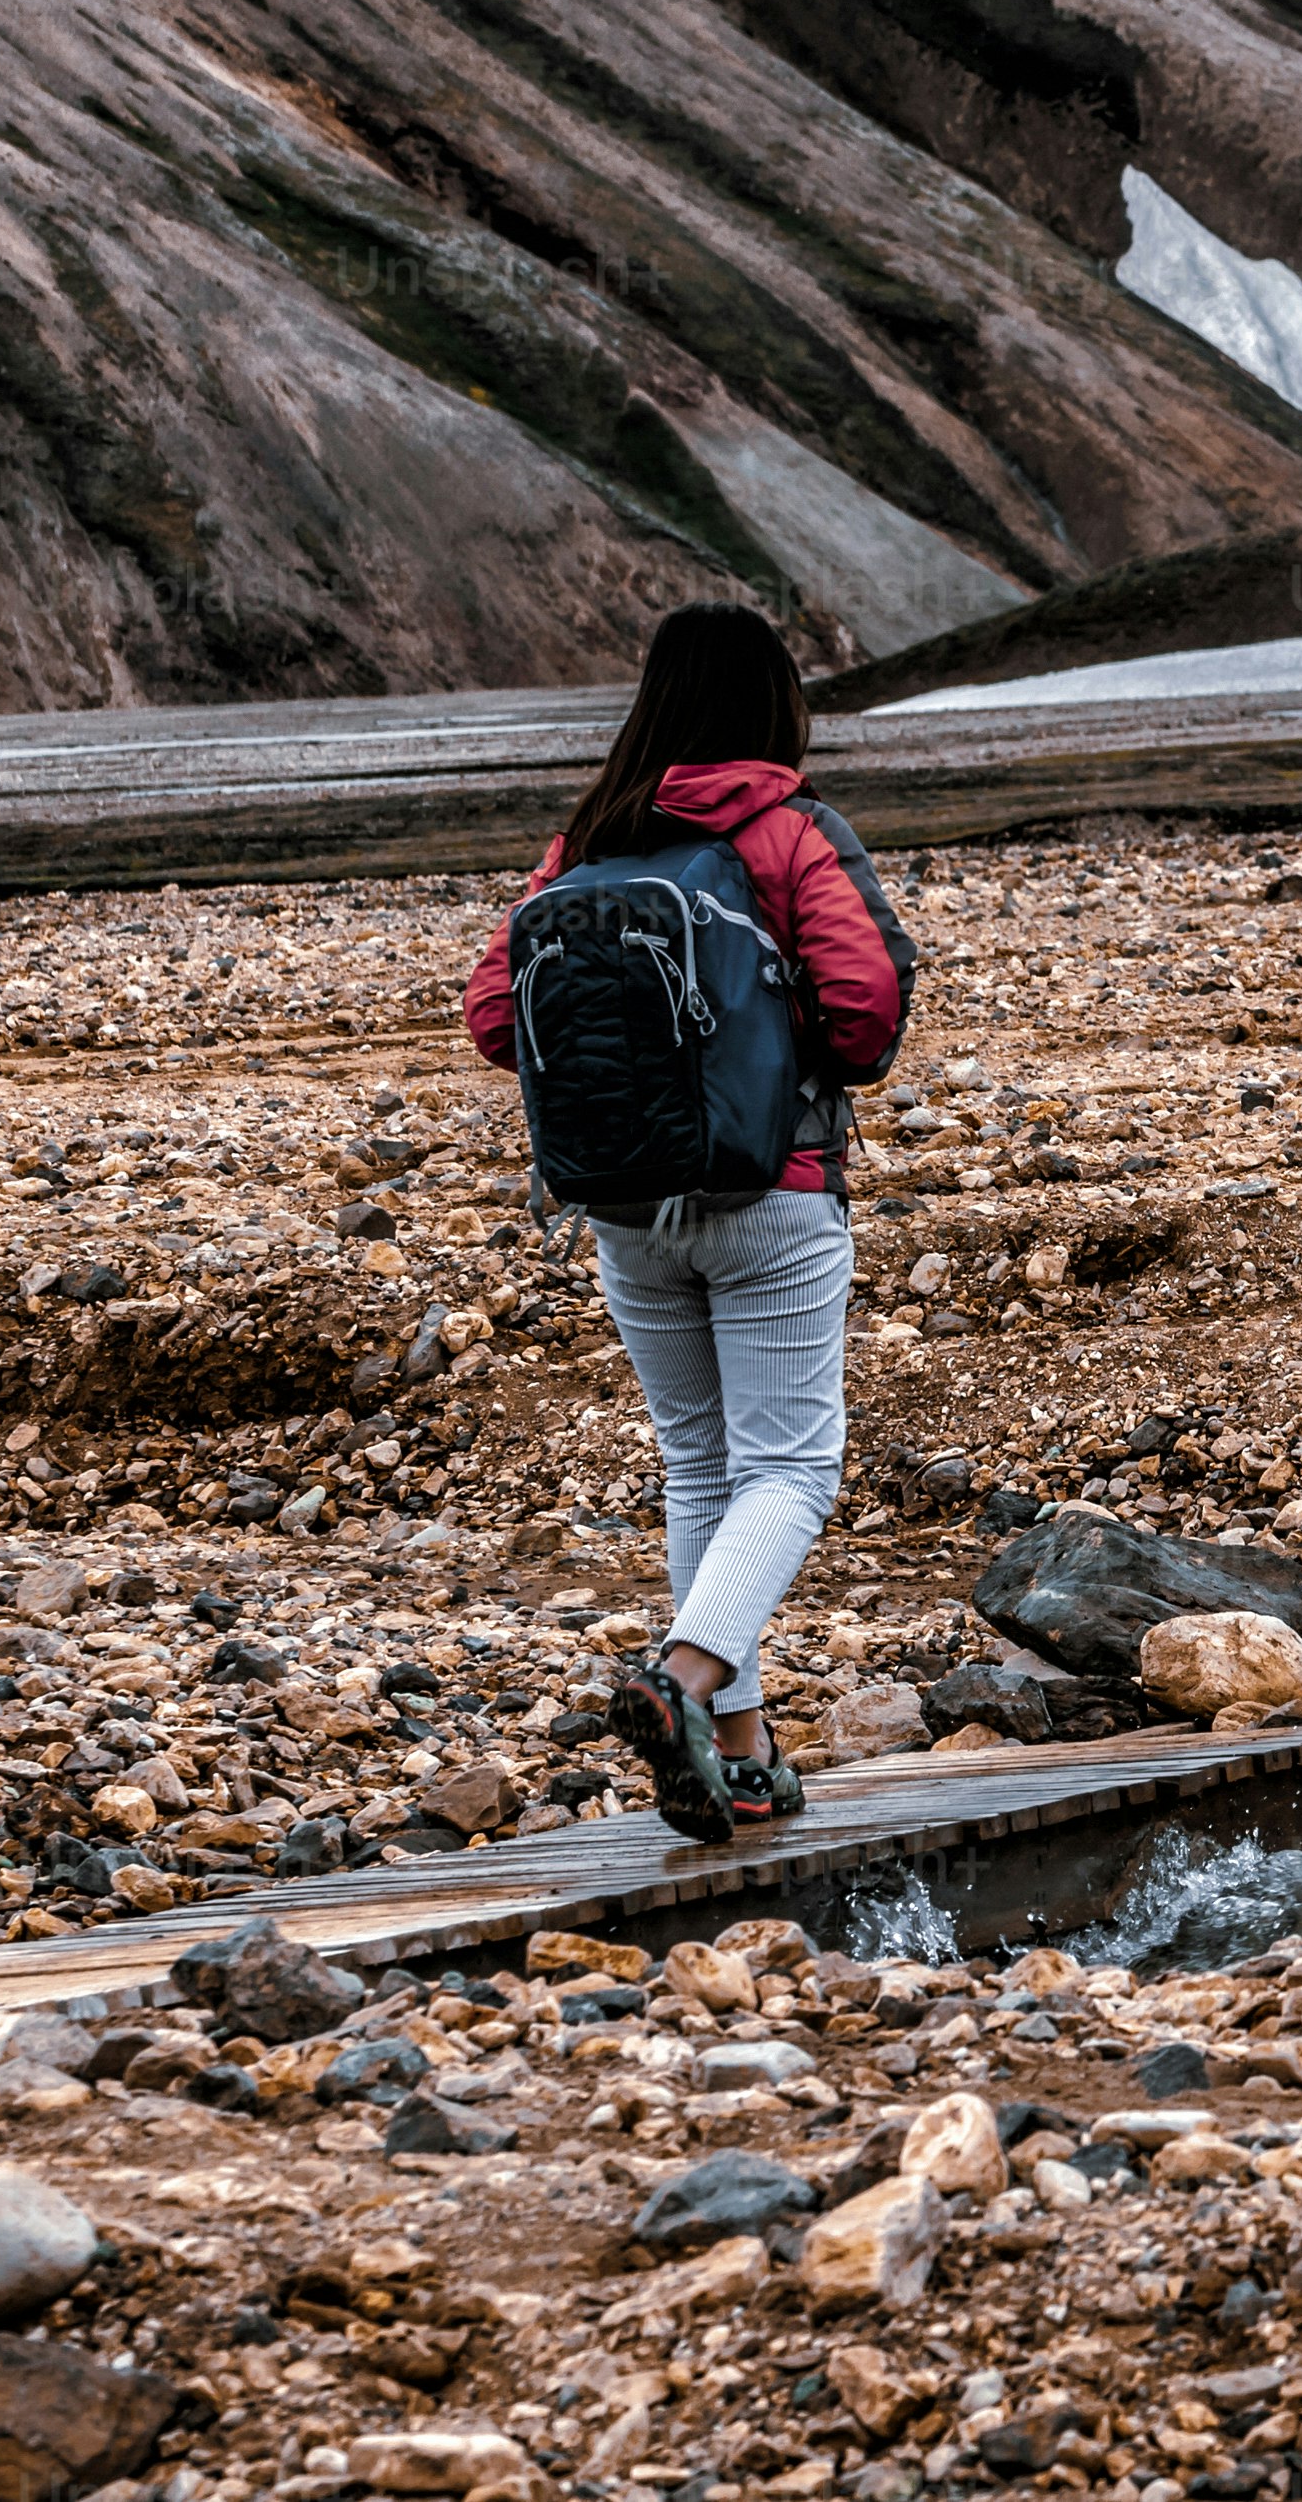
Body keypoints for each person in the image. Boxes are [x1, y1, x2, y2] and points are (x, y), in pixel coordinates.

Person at [459, 600, 914, 1844]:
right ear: (772, 703)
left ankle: (744, 1756)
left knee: (699, 1466)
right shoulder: (787, 831)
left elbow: (496, 1018)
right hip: (772, 1193)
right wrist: (773, 1048)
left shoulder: (587, 843)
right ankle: (686, 1675)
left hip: (622, 1206)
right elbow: (866, 1011)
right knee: (791, 1469)